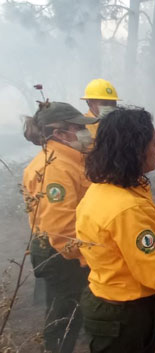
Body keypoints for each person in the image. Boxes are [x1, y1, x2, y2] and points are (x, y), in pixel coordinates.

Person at [76, 108, 155, 353]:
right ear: (134, 149)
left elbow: (122, 244)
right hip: (124, 313)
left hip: (109, 299)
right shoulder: (127, 208)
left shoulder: (105, 189)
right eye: (154, 143)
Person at [22, 101, 98, 353]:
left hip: (64, 251)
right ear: (60, 134)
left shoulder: (70, 160)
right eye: (79, 128)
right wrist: (93, 257)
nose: (85, 133)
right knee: (64, 314)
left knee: (71, 306)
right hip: (62, 255)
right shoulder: (55, 169)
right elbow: (62, 232)